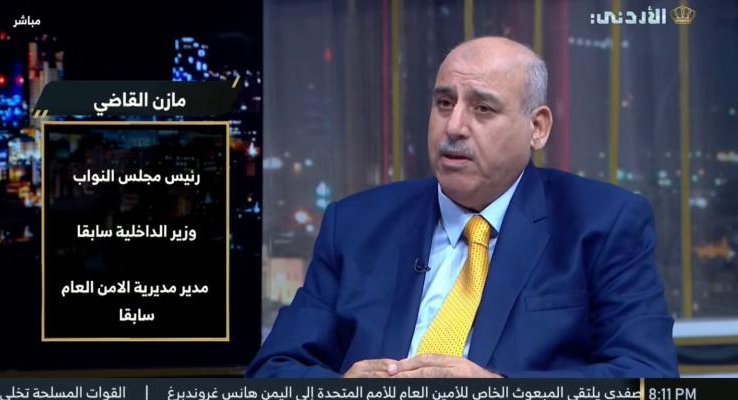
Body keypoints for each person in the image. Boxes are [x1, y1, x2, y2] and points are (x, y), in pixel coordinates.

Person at [247, 36, 678, 378]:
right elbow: (274, 369)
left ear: (537, 127)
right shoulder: (356, 224)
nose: (454, 127)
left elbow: (647, 377)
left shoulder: (602, 223)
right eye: (444, 103)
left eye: (482, 108)